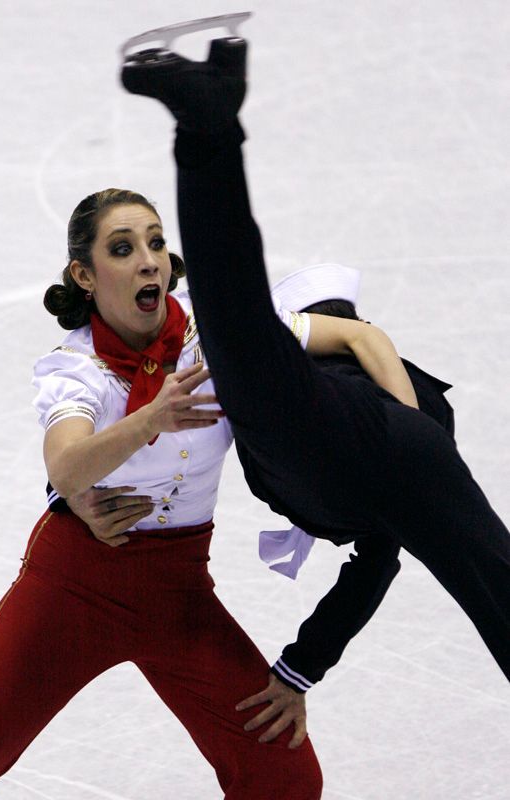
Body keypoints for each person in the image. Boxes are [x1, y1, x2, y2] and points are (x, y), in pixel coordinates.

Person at [0, 182, 422, 798]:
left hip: (177, 592)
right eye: (124, 247)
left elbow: (360, 337)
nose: (148, 259)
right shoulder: (76, 368)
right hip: (73, 586)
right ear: (85, 274)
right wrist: (148, 420)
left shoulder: (220, 331)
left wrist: (413, 442)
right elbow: (66, 468)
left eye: (155, 242)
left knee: (283, 777)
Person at [120, 33, 510, 743]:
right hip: (364, 456)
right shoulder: (354, 498)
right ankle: (211, 117)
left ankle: (206, 124)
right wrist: (300, 668)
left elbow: (360, 338)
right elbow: (372, 568)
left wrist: (406, 428)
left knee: (232, 316)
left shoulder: (291, 351)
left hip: (354, 427)